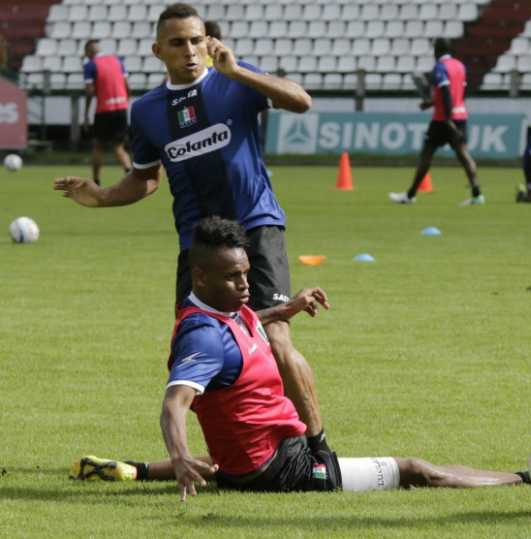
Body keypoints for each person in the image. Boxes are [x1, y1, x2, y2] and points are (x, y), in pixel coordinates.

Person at [70, 216, 529, 499]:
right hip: (279, 468)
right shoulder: (203, 336)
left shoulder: (225, 309)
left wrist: (285, 308)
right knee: (415, 471)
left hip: (247, 462)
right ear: (201, 276)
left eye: (247, 273)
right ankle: (524, 479)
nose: (245, 285)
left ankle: (136, 470)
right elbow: (175, 402)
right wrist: (180, 452)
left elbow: (247, 325)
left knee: (223, 457)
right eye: (233, 277)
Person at [54, 4, 328, 453]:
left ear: (209, 42)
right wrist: (101, 196)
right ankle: (231, 453)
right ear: (158, 50)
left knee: (275, 339)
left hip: (256, 226)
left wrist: (239, 72)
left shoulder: (233, 81)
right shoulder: (146, 111)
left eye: (196, 40)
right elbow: (145, 178)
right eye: (178, 43)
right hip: (198, 246)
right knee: (198, 350)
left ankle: (318, 449)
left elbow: (299, 100)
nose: (190, 51)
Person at [389, 38, 483, 206]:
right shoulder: (460, 66)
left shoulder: (440, 68)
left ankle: (410, 196)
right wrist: (431, 103)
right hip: (461, 115)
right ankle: (477, 194)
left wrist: (447, 118)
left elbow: (447, 92)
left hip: (442, 119)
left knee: (426, 154)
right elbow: (459, 92)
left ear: (436, 51)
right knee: (463, 154)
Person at [82, 39, 132, 185]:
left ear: (89, 52)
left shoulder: (90, 65)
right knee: (119, 147)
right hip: (121, 108)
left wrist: (86, 114)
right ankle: (129, 174)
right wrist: (125, 102)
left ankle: (96, 181)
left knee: (98, 146)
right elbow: (127, 85)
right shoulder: (118, 61)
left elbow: (90, 91)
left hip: (104, 110)